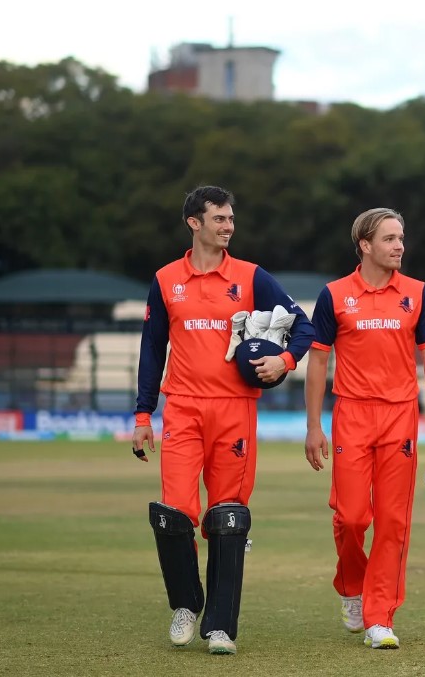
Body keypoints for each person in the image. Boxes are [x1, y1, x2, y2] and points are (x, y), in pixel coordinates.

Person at [133, 185, 314, 655]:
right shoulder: (166, 278)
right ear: (194, 223)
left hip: (236, 409)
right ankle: (185, 605)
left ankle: (220, 626)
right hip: (183, 408)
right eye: (219, 219)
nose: (228, 226)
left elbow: (304, 325)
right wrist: (141, 413)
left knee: (229, 516)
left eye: (231, 219)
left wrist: (285, 362)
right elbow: (152, 347)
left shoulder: (253, 277)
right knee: (175, 514)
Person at [303, 207, 425, 650]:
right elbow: (317, 361)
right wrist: (314, 426)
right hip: (351, 414)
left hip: (400, 418)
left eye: (401, 237)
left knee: (393, 521)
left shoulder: (417, 293)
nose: (399, 246)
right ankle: (352, 583)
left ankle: (379, 616)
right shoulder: (333, 295)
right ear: (365, 245)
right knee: (352, 518)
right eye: (389, 238)